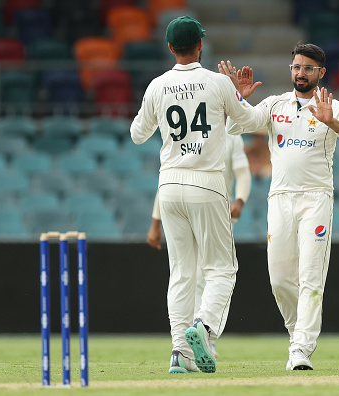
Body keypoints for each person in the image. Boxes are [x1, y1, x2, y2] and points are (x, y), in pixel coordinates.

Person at [130, 15, 263, 374]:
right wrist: (238, 96)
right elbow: (247, 122)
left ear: (170, 47)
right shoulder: (219, 83)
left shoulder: (157, 85)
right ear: (201, 45)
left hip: (169, 185)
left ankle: (178, 352)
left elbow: (137, 134)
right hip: (207, 182)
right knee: (222, 269)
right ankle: (202, 328)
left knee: (181, 273)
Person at [225, 43, 339, 370]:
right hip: (281, 199)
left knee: (310, 276)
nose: (300, 73)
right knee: (280, 280)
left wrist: (334, 123)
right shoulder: (275, 104)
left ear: (321, 73)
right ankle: (296, 334)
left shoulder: (333, 106)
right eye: (296, 67)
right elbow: (236, 126)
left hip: (317, 198)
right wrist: (238, 98)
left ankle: (301, 347)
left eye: (307, 68)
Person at [147, 132, 252, 359]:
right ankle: (203, 333)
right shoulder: (194, 129)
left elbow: (242, 174)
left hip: (206, 210)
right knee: (205, 275)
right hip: (208, 206)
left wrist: (239, 201)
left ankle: (182, 350)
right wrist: (155, 223)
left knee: (185, 275)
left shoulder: (231, 136)